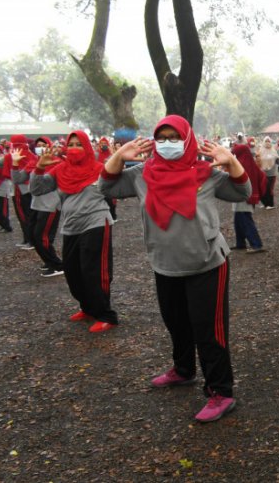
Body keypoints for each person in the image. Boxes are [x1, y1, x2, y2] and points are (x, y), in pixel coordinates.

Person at [99, 115, 250, 423]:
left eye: (174, 137)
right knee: (177, 323)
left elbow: (242, 192)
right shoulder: (142, 174)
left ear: (188, 139)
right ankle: (183, 370)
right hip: (165, 263)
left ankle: (220, 391)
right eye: (162, 138)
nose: (168, 143)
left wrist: (231, 161)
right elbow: (107, 187)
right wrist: (117, 155)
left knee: (210, 331)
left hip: (207, 263)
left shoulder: (206, 173)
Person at [30, 130, 118, 333]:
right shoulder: (60, 169)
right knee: (73, 272)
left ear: (87, 147)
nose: (74, 148)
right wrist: (39, 168)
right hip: (70, 226)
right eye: (71, 144)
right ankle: (87, 308)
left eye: (79, 144)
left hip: (96, 223)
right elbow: (37, 190)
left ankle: (106, 314)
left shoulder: (99, 169)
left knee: (94, 272)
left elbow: (116, 187)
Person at [30, 137, 64, 277]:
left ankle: (57, 265)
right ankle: (49, 260)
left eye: (44, 145)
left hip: (50, 205)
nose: (41, 148)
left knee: (42, 237)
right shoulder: (35, 162)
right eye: (38, 145)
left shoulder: (57, 163)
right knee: (34, 236)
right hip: (37, 204)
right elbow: (30, 185)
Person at [230, 144, 267, 253]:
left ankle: (257, 244)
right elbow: (261, 176)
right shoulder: (250, 163)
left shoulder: (241, 164)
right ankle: (240, 243)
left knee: (245, 220)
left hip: (243, 197)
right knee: (238, 220)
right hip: (244, 196)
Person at [6, 135, 37, 249]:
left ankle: (29, 240)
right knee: (29, 214)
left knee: (23, 216)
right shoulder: (30, 154)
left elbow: (10, 172)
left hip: (20, 188)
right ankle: (29, 239)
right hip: (30, 188)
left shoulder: (15, 153)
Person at [257, 136, 279, 209]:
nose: (267, 143)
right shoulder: (261, 150)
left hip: (271, 173)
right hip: (263, 172)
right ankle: (265, 203)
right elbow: (258, 159)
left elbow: (277, 160)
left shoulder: (273, 150)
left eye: (268, 141)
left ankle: (270, 204)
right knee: (263, 188)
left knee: (269, 188)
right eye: (266, 141)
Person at [0, 145, 14, 233]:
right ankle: (2, 225)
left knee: (2, 209)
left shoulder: (4, 159)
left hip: (2, 188)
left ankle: (6, 226)